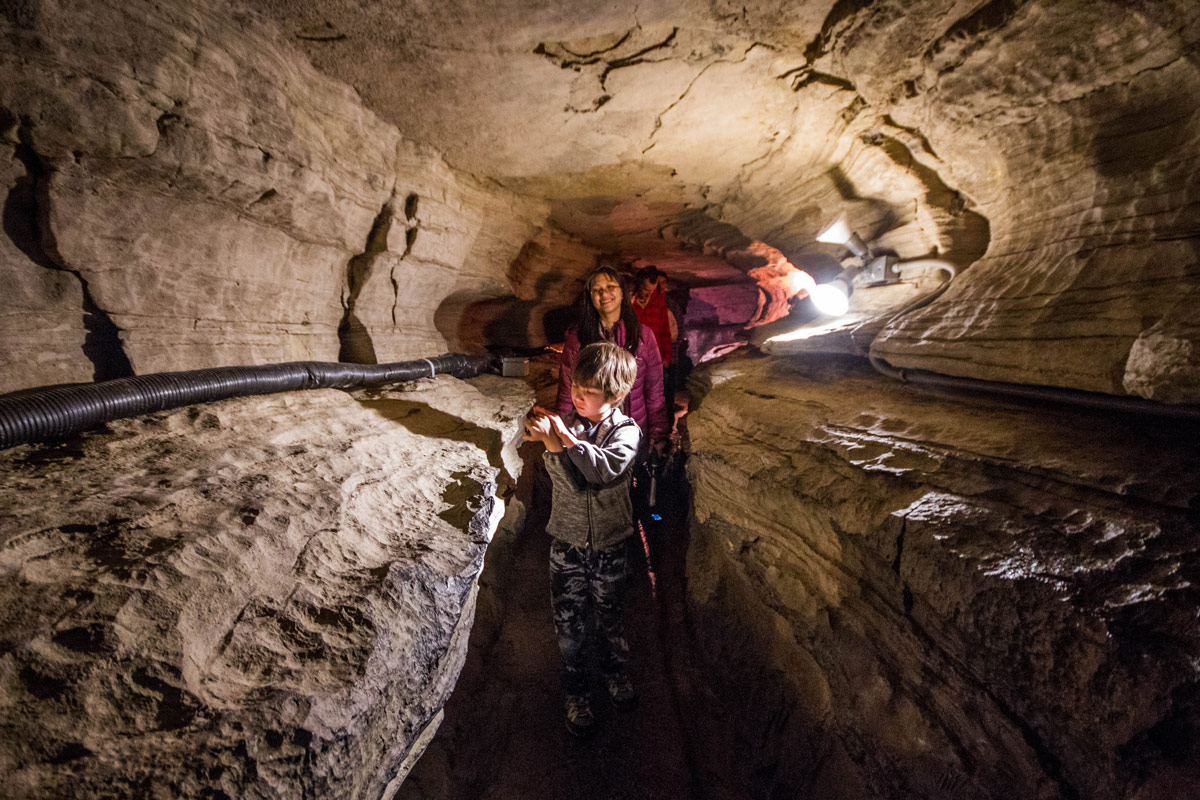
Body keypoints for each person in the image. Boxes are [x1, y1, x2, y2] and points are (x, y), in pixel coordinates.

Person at [524, 342, 643, 737]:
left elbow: (602, 471)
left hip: (610, 544)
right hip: (568, 544)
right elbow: (567, 484)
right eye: (576, 387)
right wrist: (553, 442)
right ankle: (576, 692)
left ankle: (614, 674)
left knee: (610, 618)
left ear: (614, 395)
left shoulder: (626, 433)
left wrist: (563, 443)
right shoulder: (569, 425)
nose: (577, 396)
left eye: (589, 391)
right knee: (569, 625)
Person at [557, 266, 668, 454]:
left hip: (633, 434)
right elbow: (568, 391)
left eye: (610, 287)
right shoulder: (578, 340)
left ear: (622, 293)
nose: (604, 294)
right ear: (590, 297)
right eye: (597, 290)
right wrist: (561, 434)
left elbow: (654, 390)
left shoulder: (643, 337)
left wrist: (658, 434)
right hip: (590, 437)